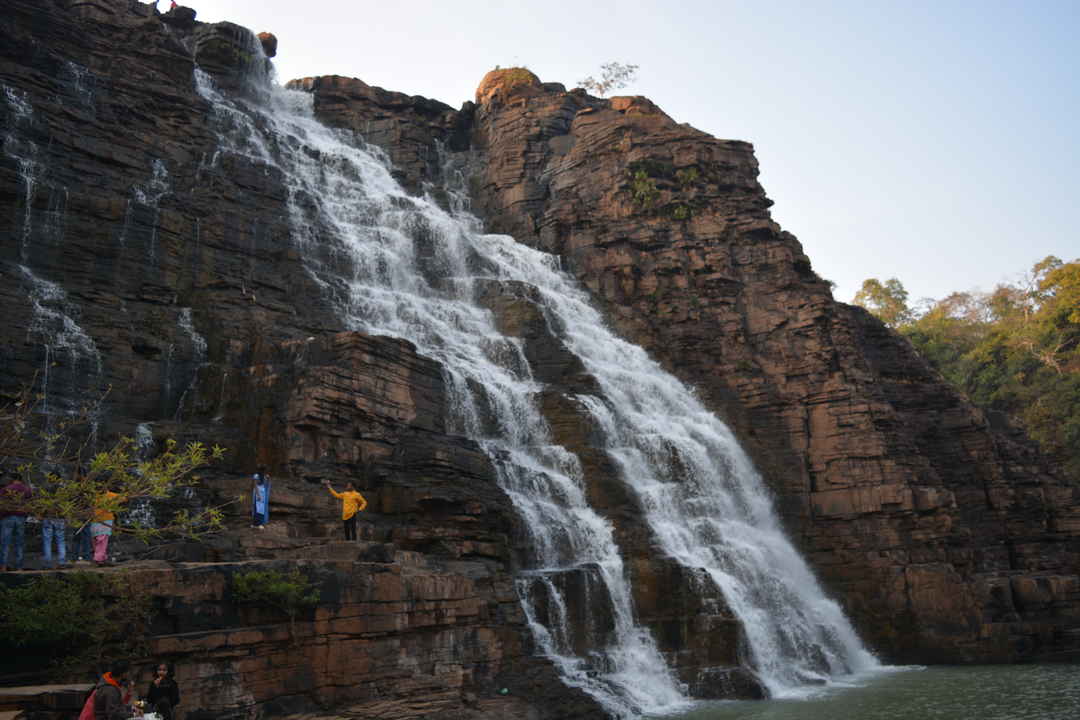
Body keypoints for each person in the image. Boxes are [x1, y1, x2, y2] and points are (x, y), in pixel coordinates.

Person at [0, 473, 33, 571]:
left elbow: (1, 504)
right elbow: (30, 504)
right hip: (21, 517)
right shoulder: (27, 490)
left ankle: (3, 566)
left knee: (5, 542)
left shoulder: (6, 489)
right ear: (21, 479)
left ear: (12, 479)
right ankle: (19, 566)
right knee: (19, 542)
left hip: (7, 517)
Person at [91, 486, 121, 566]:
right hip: (104, 520)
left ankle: (102, 558)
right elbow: (124, 498)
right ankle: (98, 559)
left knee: (98, 540)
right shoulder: (110, 495)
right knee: (102, 540)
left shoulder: (93, 496)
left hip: (95, 520)